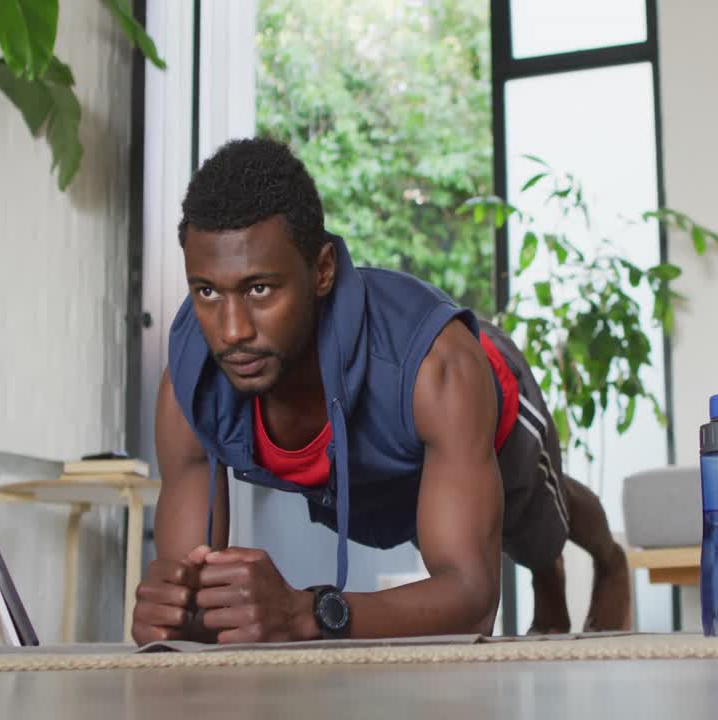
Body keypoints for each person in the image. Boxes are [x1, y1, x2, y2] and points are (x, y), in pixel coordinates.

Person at [131, 137, 630, 645]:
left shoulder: (441, 368)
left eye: (259, 289)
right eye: (208, 291)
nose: (231, 330)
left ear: (322, 270)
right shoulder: (193, 383)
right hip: (388, 464)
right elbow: (186, 592)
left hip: (483, 407)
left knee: (537, 524)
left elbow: (472, 602)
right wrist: (177, 611)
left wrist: (308, 613)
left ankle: (604, 563)